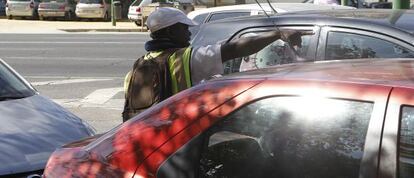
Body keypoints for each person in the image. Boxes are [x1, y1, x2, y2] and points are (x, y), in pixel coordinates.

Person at [122, 7, 292, 121]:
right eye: (184, 28)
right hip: (176, 139)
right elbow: (234, 49)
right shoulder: (185, 58)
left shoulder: (139, 65)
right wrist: (277, 34)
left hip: (145, 137)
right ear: (169, 31)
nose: (189, 32)